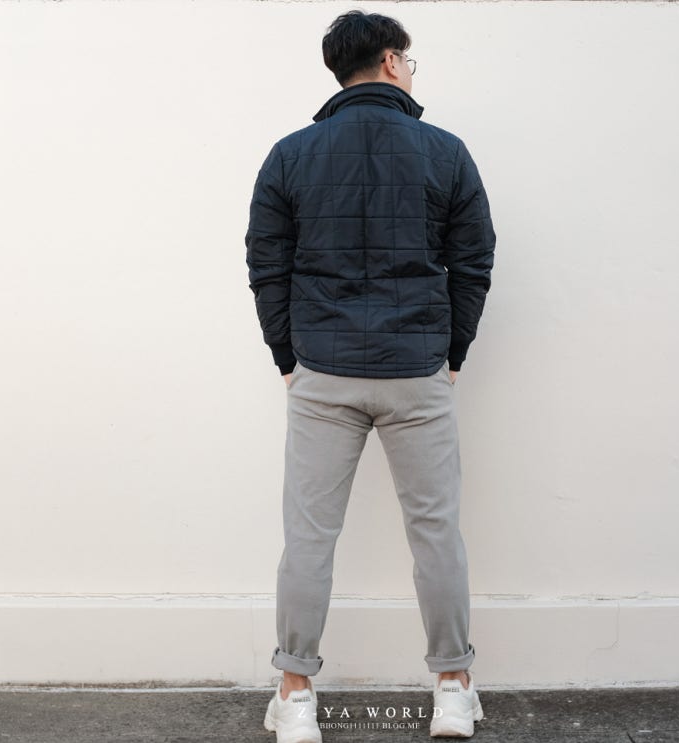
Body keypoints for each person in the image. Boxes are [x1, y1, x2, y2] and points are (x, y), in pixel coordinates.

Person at [246, 10, 496, 741]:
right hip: (416, 369)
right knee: (436, 532)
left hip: (323, 371)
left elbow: (266, 265)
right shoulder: (444, 151)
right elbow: (473, 261)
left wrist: (287, 357)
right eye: (408, 61)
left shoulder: (290, 155)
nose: (409, 71)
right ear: (390, 61)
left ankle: (296, 695)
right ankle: (452, 690)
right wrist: (451, 352)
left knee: (308, 536)